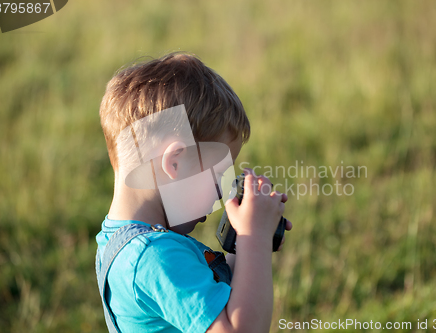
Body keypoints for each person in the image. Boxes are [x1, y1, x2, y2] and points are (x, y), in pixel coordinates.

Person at [95, 52, 292, 333]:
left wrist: (244, 241)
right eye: (218, 175)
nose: (222, 192)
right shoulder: (153, 258)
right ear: (174, 162)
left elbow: (227, 303)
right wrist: (255, 237)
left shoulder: (124, 243)